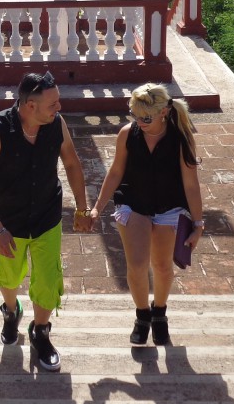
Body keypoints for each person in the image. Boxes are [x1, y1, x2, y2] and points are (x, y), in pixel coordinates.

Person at [0, 71, 91, 372]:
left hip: (46, 217)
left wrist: (82, 208)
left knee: (48, 281)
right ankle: (11, 311)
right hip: (8, 222)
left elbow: (72, 163)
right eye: (52, 104)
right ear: (30, 107)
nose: (59, 108)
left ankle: (41, 332)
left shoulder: (57, 125)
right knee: (8, 277)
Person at [87, 83, 204, 345]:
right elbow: (116, 171)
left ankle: (159, 312)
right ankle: (142, 315)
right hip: (133, 201)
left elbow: (190, 183)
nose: (140, 122)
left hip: (168, 205)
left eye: (146, 118)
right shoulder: (128, 134)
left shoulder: (181, 138)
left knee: (162, 266)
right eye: (135, 116)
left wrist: (198, 224)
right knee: (138, 264)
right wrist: (97, 207)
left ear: (163, 112)